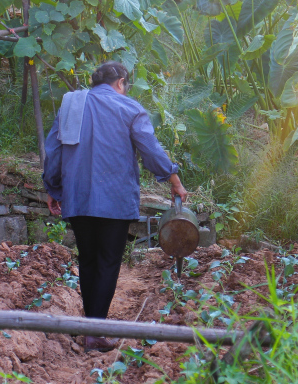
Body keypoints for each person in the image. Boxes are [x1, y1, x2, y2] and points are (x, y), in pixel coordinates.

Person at [42, 61, 188, 352]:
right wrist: (174, 179)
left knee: (87, 259)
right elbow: (150, 151)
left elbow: (54, 150)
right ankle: (95, 332)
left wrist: (53, 188)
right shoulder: (130, 109)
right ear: (121, 81)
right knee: (108, 262)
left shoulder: (71, 105)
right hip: (115, 200)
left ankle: (90, 329)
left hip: (79, 198)